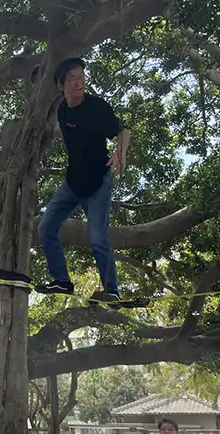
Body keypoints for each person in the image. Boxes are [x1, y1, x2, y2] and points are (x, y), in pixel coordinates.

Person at [36, 57, 131, 305]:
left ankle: (112, 291)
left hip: (98, 182)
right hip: (72, 183)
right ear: (61, 86)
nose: (80, 83)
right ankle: (62, 282)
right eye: (73, 79)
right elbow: (64, 129)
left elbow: (123, 131)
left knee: (98, 238)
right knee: (46, 228)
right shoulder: (63, 110)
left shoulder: (97, 108)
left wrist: (120, 154)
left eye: (81, 77)